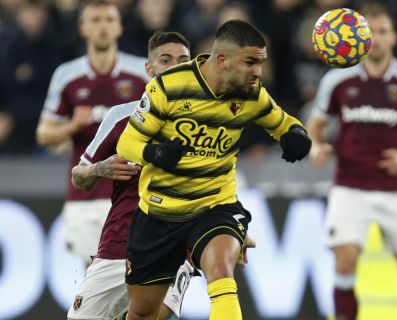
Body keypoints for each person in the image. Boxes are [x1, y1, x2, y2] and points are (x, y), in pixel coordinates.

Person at [116, 19, 312, 320]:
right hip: (159, 213)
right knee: (143, 312)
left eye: (261, 63)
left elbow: (283, 122)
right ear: (222, 60)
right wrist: (154, 152)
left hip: (214, 205)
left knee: (221, 270)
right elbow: (127, 143)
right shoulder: (168, 87)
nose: (258, 72)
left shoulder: (252, 93)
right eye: (250, 63)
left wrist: (296, 135)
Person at [307, 3, 397, 320]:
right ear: (357, 36)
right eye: (370, 32)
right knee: (344, 260)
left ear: (394, 37)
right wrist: (316, 147)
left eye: (382, 31)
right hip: (349, 184)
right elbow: (315, 127)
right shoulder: (337, 81)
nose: (376, 39)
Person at [67, 31, 192, 320]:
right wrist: (100, 169)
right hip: (120, 244)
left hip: (174, 246)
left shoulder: (205, 122)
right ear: (149, 69)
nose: (175, 66)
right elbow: (79, 175)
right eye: (165, 60)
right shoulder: (122, 116)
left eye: (183, 60)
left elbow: (218, 184)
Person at [36, 0, 150, 265]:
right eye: (95, 20)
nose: (102, 27)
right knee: (94, 279)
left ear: (119, 28)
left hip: (135, 192)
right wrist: (72, 125)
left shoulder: (142, 73)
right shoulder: (67, 75)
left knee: (137, 278)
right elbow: (43, 134)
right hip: (86, 193)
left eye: (109, 20)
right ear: (82, 29)